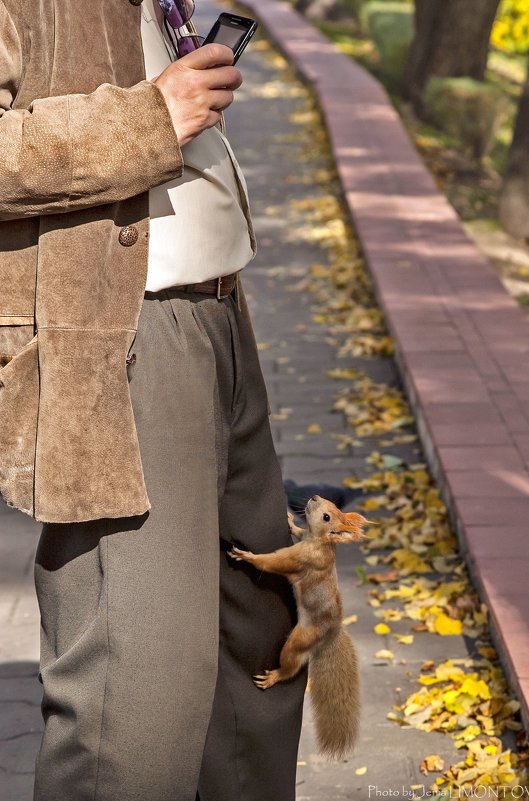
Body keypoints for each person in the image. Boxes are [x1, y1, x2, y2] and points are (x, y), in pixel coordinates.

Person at [0, 1, 307, 799]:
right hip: (121, 337)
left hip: (219, 319)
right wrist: (148, 118)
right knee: (136, 695)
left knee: (256, 636)